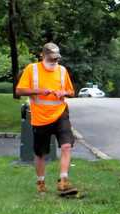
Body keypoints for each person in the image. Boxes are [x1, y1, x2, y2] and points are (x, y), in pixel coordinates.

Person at [15, 42, 76, 194]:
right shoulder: (32, 69)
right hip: (40, 117)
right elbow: (19, 90)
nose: (54, 62)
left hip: (61, 113)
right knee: (41, 153)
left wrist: (64, 93)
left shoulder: (62, 71)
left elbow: (71, 92)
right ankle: (41, 182)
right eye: (51, 59)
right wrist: (39, 91)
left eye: (56, 59)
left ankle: (63, 180)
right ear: (43, 56)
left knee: (67, 146)